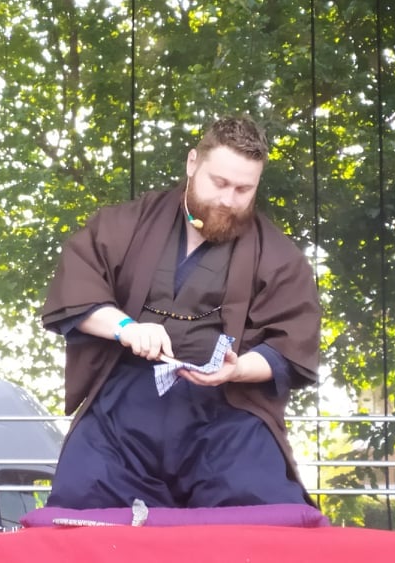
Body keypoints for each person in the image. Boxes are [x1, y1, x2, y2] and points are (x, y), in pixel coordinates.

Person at [41, 115, 320, 510]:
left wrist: (237, 369)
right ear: (192, 163)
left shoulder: (279, 256)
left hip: (226, 415)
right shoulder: (124, 224)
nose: (228, 200)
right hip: (124, 408)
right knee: (83, 505)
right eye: (219, 182)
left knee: (264, 515)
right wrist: (126, 327)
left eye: (243, 189)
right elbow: (76, 292)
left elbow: (290, 347)